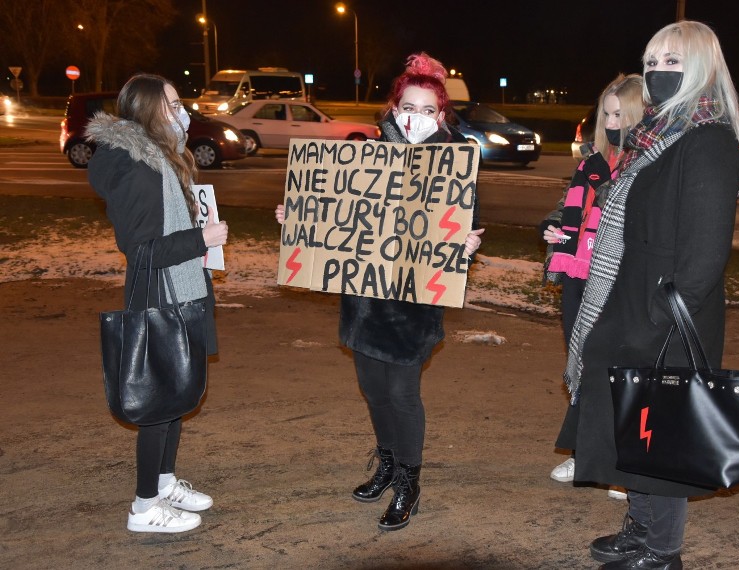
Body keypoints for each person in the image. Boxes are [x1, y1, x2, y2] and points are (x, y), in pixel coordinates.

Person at [275, 52, 483, 531]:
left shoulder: (455, 162)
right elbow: (338, 214)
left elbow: (460, 225)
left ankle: (410, 480)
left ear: (441, 115)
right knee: (373, 390)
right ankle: (388, 464)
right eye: (408, 107)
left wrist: (465, 244)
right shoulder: (364, 156)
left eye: (427, 110)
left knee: (402, 393)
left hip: (414, 305)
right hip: (365, 300)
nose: (416, 117)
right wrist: (301, 220)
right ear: (393, 109)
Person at [563, 22, 739, 569]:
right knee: (631, 424)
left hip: (668, 309)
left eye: (673, 61)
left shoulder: (708, 140)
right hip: (633, 296)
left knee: (659, 431)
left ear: (703, 67)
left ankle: (663, 551)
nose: (658, 71)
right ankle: (640, 528)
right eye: (651, 60)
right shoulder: (659, 135)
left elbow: (704, 258)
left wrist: (657, 321)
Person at [87, 73, 229, 533]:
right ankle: (145, 508)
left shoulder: (162, 160)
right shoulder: (137, 167)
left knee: (176, 395)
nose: (180, 109)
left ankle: (164, 482)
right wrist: (200, 239)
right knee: (157, 402)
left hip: (181, 290)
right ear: (148, 109)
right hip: (158, 295)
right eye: (171, 102)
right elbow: (142, 251)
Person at [540, 74, 644, 500]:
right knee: (581, 363)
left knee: (615, 367)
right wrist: (551, 228)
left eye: (620, 113)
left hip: (617, 278)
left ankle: (624, 463)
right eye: (606, 113)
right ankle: (585, 451)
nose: (612, 121)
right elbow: (568, 207)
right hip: (577, 273)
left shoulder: (645, 163)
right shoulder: (591, 161)